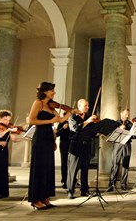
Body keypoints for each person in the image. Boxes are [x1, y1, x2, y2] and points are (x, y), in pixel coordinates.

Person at [27, 82, 71, 210]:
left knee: (48, 168)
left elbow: (60, 120)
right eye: (52, 90)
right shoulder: (38, 103)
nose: (54, 92)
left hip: (48, 138)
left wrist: (70, 112)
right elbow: (31, 120)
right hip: (39, 138)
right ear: (45, 91)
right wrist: (50, 121)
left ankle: (45, 197)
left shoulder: (51, 106)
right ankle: (36, 199)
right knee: (39, 169)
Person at [67, 99, 98, 199]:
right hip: (76, 145)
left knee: (85, 169)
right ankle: (70, 191)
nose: (88, 107)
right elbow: (76, 128)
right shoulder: (72, 117)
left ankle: (84, 190)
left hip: (87, 145)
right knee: (73, 169)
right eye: (85, 106)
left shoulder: (89, 117)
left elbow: (92, 133)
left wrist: (98, 129)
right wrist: (87, 122)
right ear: (79, 106)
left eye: (88, 106)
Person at [108, 109, 133, 191]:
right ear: (121, 114)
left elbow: (133, 135)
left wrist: (131, 130)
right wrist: (119, 128)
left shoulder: (130, 124)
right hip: (118, 144)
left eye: (128, 114)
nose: (127, 116)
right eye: (125, 114)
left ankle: (123, 184)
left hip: (127, 144)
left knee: (125, 165)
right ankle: (112, 184)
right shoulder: (116, 123)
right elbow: (111, 133)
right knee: (115, 163)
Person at [55, 112, 70, 189]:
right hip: (64, 144)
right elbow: (57, 134)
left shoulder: (73, 122)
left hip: (72, 144)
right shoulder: (61, 123)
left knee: (71, 163)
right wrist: (63, 128)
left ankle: (72, 180)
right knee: (64, 162)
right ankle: (64, 180)